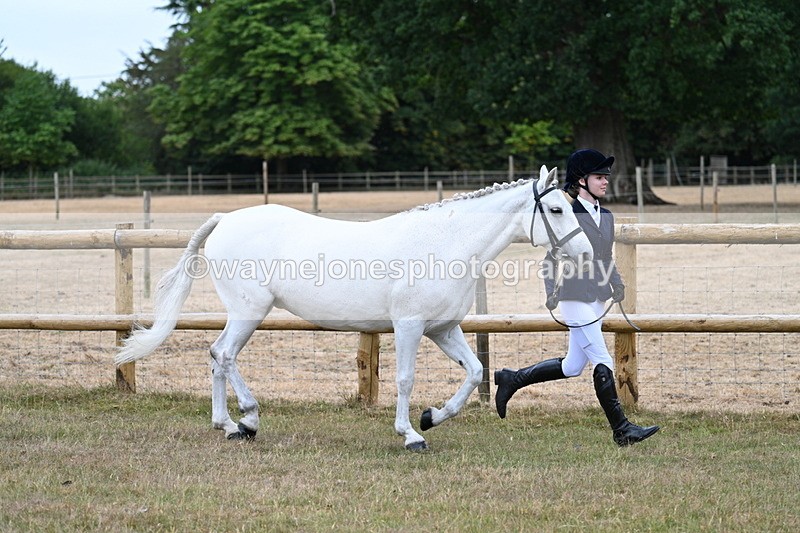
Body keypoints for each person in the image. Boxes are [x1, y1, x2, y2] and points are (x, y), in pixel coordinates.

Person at [494, 148, 659, 446]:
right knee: (601, 359)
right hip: (573, 296)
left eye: (605, 177)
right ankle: (622, 430)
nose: (605, 182)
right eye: (599, 177)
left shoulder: (606, 216)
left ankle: (512, 378)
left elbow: (605, 257)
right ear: (581, 181)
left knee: (572, 366)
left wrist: (617, 284)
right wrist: (551, 293)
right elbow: (550, 260)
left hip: (596, 296)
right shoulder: (567, 213)